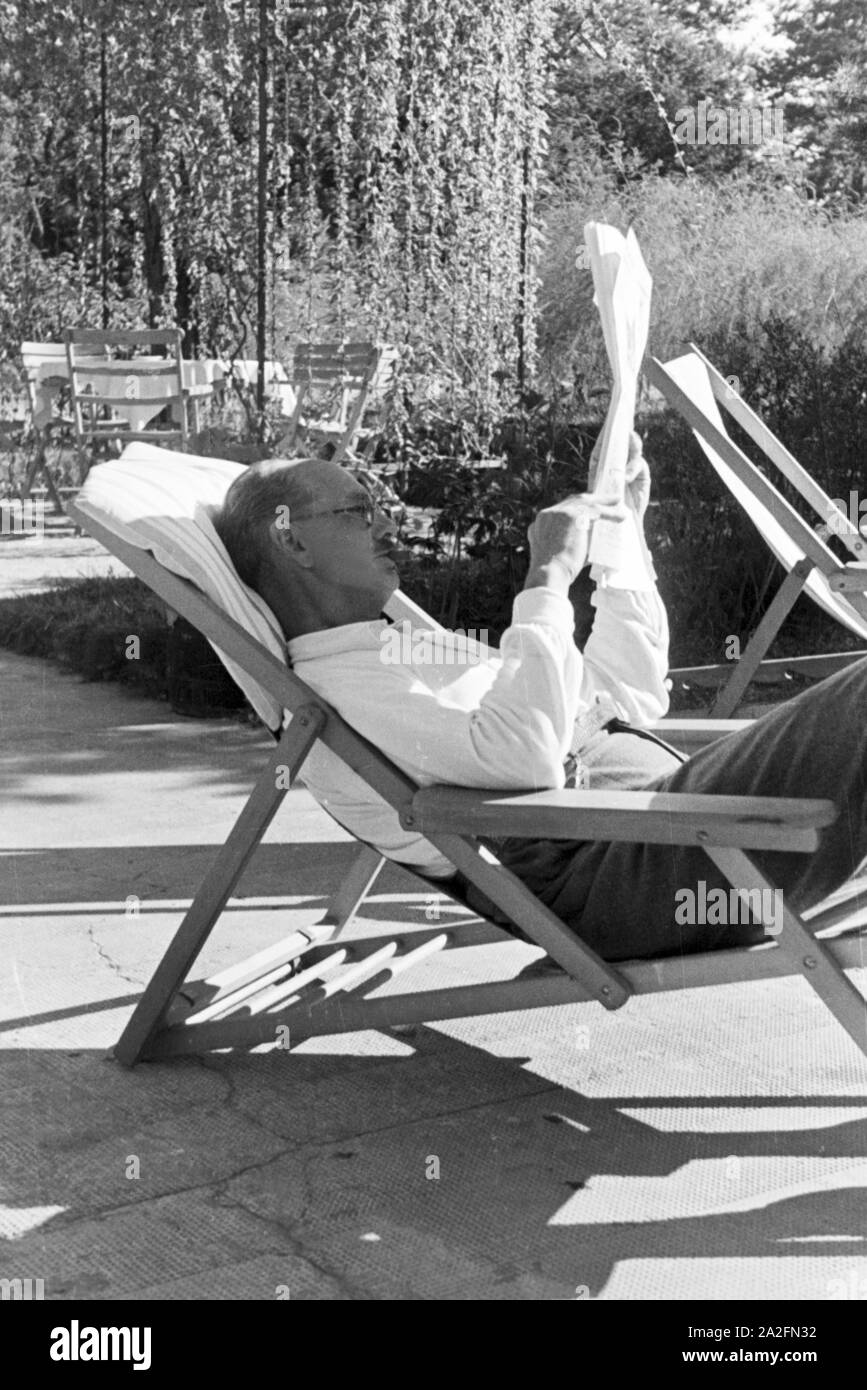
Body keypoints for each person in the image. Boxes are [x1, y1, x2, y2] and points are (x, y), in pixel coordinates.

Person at [215, 444, 867, 961]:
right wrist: (546, 577)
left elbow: (622, 693)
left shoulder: (404, 650)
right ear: (290, 540)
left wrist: (623, 537)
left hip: (684, 834)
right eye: (356, 512)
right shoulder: (340, 691)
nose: (385, 524)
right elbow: (524, 763)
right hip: (644, 875)